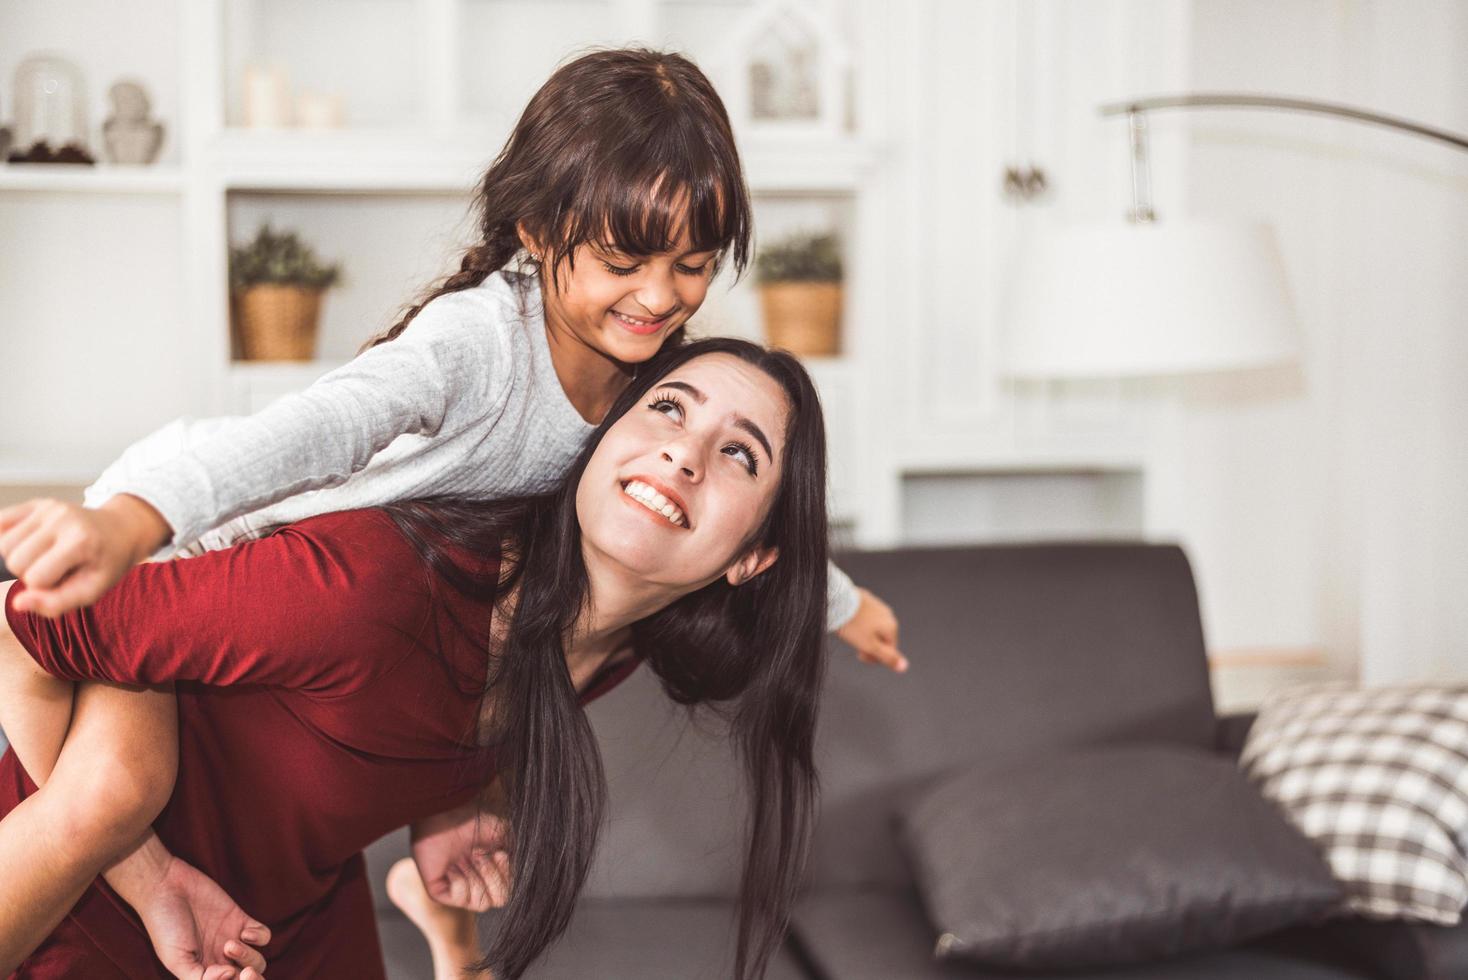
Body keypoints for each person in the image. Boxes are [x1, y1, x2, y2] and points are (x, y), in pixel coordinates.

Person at [0, 47, 905, 675]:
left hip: (292, 598)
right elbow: (322, 427)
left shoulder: (654, 381)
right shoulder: (477, 345)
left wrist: (839, 604)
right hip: (189, 533)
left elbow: (735, 498)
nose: (660, 297)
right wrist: (129, 520)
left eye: (694, 265)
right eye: (624, 262)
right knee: (108, 798)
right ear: (539, 231)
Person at [0, 338, 830, 980]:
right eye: (669, 409)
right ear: (601, 439)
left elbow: (429, 714)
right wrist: (139, 859)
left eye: (739, 453)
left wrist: (467, 797)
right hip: (82, 904)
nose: (685, 453)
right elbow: (22, 624)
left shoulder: (612, 650)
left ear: (754, 558)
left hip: (284, 924)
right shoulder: (372, 588)